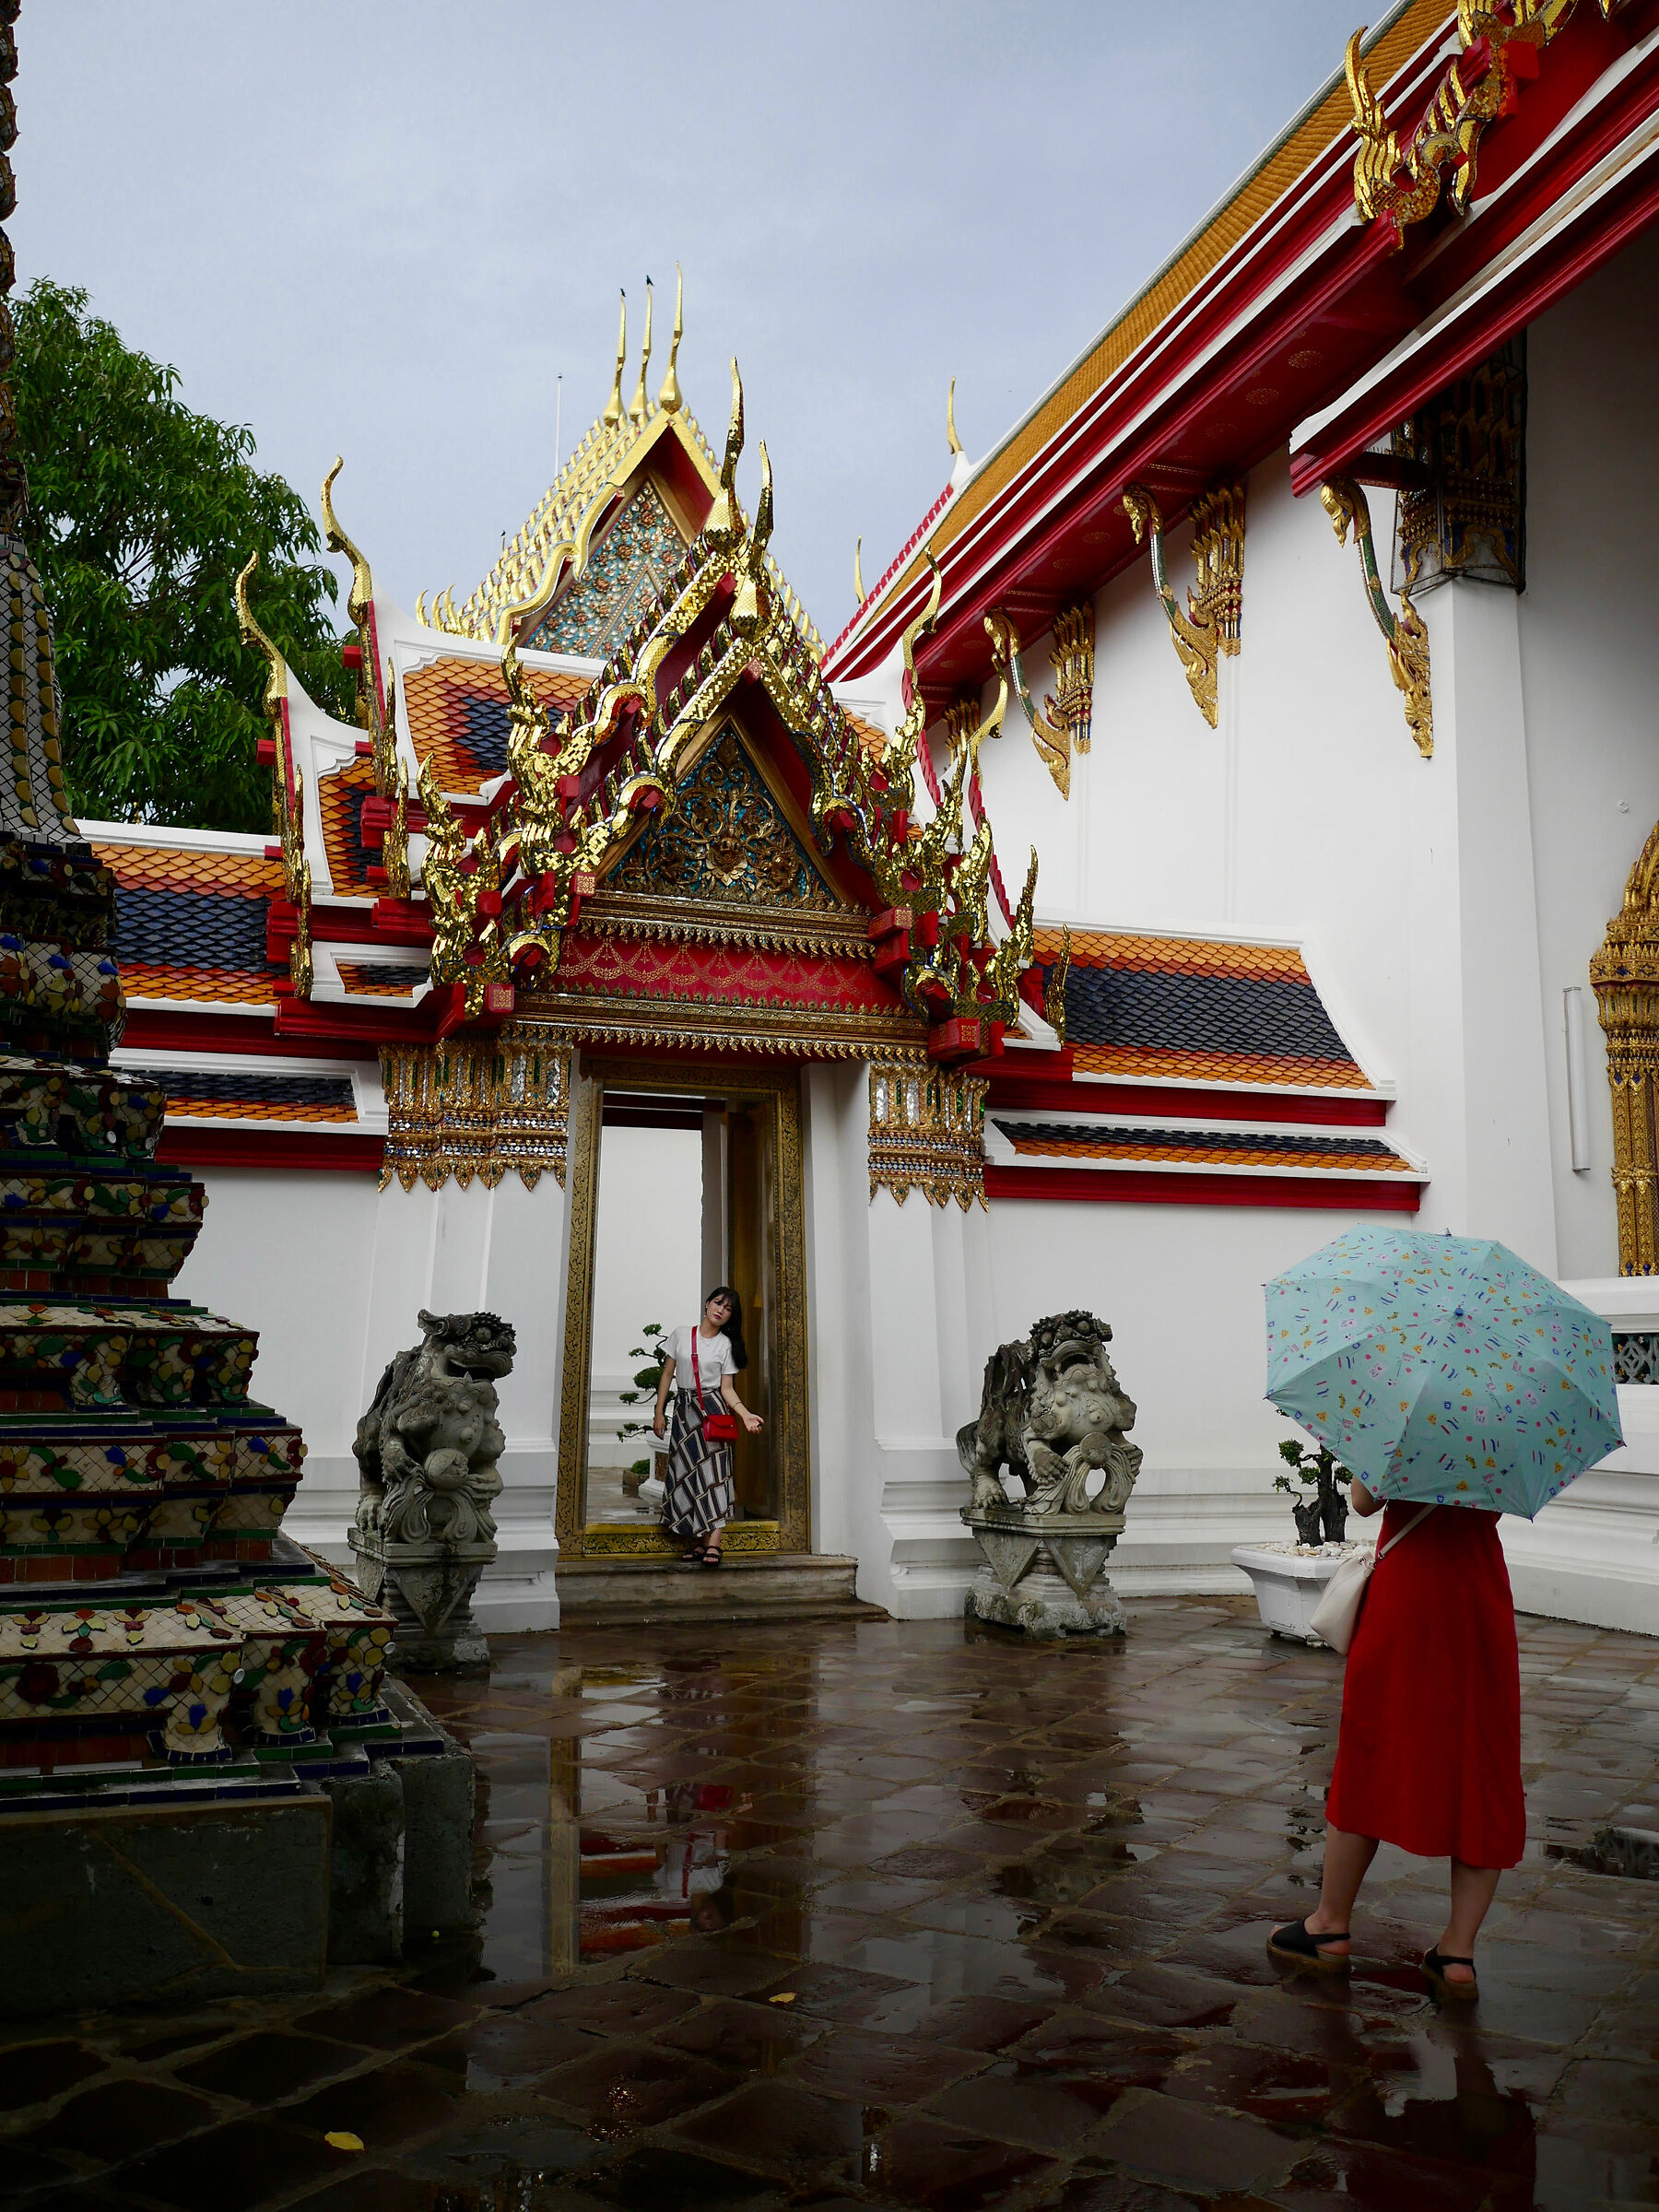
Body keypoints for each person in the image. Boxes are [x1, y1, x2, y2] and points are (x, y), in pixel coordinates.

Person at [1269, 1475, 1524, 1999]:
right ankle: (1457, 1954)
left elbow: (1362, 1503)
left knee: (1371, 1749)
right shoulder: (1508, 1426)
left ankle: (1329, 1926)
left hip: (1406, 1598)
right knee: (1481, 1763)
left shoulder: (1406, 1412)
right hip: (1478, 1598)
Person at [653, 1287, 763, 1569]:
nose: (720, 1310)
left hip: (712, 1412)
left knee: (714, 1474)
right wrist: (659, 1412)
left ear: (730, 1317)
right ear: (707, 1304)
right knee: (687, 1474)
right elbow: (668, 1374)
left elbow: (727, 1389)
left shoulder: (726, 1345)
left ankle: (714, 1542)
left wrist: (745, 1414)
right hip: (683, 1412)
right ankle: (699, 1541)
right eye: (718, 1303)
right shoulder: (680, 1335)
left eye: (727, 1309)